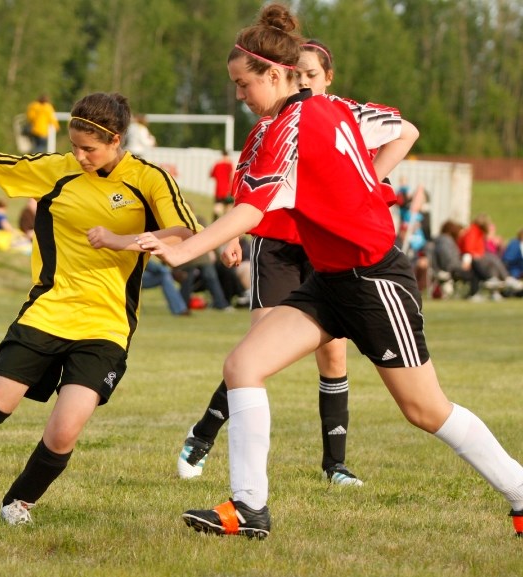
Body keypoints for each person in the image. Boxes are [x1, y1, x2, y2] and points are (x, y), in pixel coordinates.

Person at [137, 4, 523, 539]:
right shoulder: (331, 108)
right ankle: (250, 508)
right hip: (330, 278)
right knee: (243, 365)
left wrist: (186, 251)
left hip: (373, 280)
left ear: (275, 74)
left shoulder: (287, 129)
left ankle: (521, 492)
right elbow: (379, 143)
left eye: (243, 84)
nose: (239, 96)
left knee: (424, 409)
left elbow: (251, 211)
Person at [0, 92, 201, 526]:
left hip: (107, 325)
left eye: (89, 148)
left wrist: (126, 240)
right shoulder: (57, 171)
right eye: (75, 146)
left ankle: (18, 503)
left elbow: (186, 232)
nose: (80, 156)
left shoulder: (149, 180)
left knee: (64, 430)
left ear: (117, 140)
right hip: (48, 311)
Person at [176, 38, 362, 487]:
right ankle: (202, 436)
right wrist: (234, 234)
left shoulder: (341, 119)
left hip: (324, 250)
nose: (305, 83)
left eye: (313, 76)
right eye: (300, 75)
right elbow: (247, 190)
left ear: (326, 78)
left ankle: (335, 464)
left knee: (333, 354)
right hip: (275, 247)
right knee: (257, 351)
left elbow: (386, 148)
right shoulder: (266, 128)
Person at [459, 213, 522, 298]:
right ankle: (506, 279)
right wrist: (476, 255)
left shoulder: (478, 232)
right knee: (492, 259)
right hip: (471, 258)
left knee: (493, 261)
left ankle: (502, 282)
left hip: (477, 258)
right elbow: (468, 248)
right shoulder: (473, 232)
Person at [431, 220, 479, 299]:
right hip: (453, 269)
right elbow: (448, 261)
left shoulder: (444, 241)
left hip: (452, 267)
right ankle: (473, 295)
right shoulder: (445, 242)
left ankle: (472, 294)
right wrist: (461, 265)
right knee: (475, 272)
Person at [210, 150, 235, 219]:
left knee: (217, 207)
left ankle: (214, 223)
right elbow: (232, 176)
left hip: (218, 190)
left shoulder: (217, 164)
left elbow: (212, 175)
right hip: (227, 189)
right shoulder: (229, 165)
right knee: (228, 208)